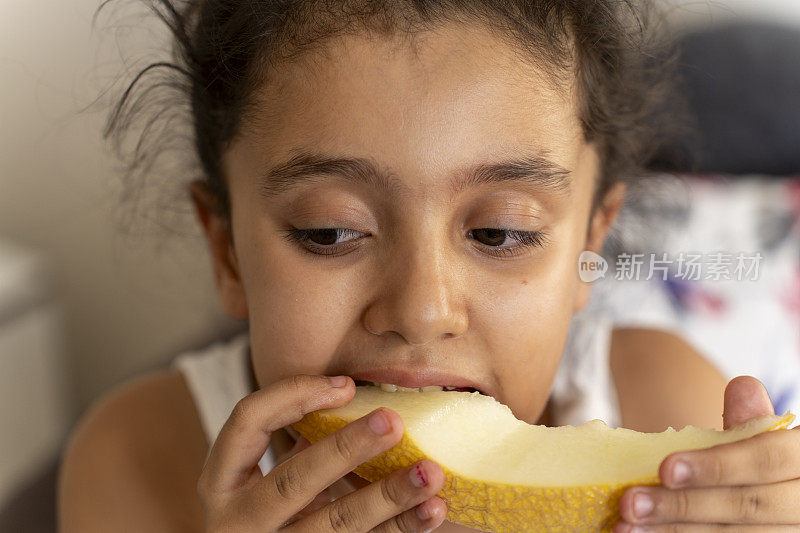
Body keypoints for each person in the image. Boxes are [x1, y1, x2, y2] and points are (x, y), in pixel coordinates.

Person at [58, 1, 800, 531]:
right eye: (330, 231)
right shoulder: (137, 459)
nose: (420, 309)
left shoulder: (665, 399)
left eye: (502, 233)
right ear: (226, 251)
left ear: (590, 247)